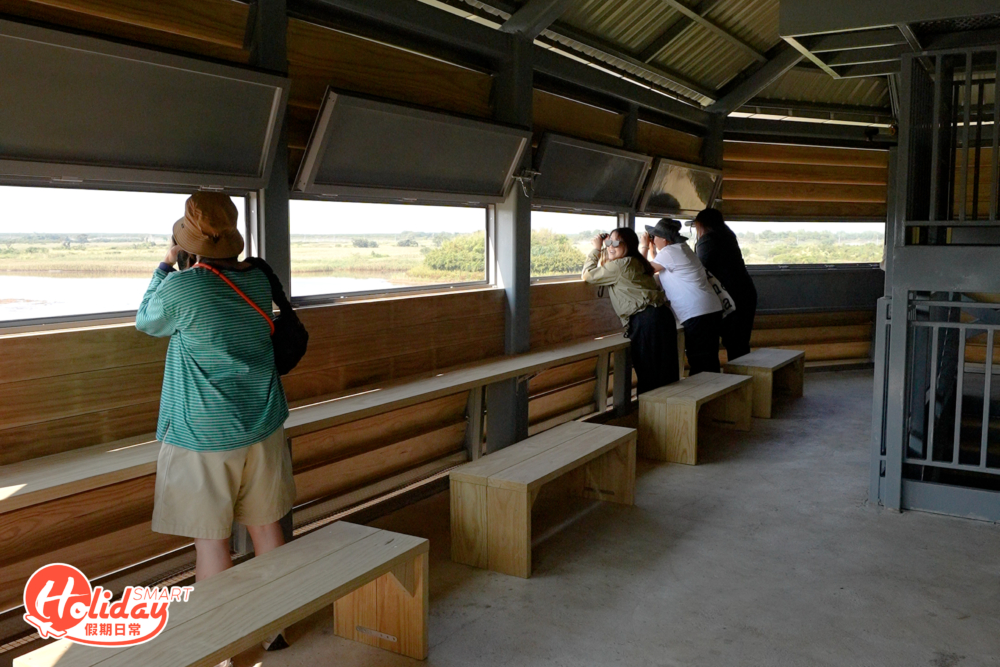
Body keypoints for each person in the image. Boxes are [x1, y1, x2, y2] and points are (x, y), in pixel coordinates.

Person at [136, 193, 294, 659]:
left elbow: (147, 320)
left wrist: (165, 267)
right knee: (268, 530)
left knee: (212, 541)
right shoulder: (260, 280)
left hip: (205, 435)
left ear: (187, 241)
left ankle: (221, 640)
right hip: (262, 425)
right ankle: (276, 626)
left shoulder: (185, 288)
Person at [581, 227, 679, 394]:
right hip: (661, 317)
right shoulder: (637, 261)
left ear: (628, 245)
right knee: (667, 374)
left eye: (616, 243)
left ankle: (650, 417)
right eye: (608, 242)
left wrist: (597, 249)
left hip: (647, 322)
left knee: (649, 375)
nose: (610, 246)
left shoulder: (620, 265)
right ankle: (670, 416)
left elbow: (587, 275)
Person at [640, 218, 722, 375]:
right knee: (709, 359)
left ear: (664, 239)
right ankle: (713, 396)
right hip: (709, 309)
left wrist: (643, 246)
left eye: (655, 236)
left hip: (697, 312)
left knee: (699, 362)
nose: (653, 239)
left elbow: (641, 270)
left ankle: (701, 396)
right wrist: (654, 252)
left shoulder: (670, 253)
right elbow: (662, 264)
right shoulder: (681, 248)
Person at [690, 208, 758, 361]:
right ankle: (742, 378)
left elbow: (700, 269)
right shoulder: (727, 236)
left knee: (734, 342)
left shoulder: (708, 240)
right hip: (745, 294)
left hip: (732, 298)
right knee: (739, 343)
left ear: (701, 224)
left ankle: (737, 380)